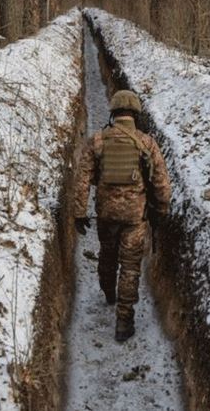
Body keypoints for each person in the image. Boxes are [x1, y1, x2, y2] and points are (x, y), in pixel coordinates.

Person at [74, 90, 172, 342]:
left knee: (107, 254)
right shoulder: (146, 143)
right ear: (135, 114)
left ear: (113, 112)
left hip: (106, 215)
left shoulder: (97, 141)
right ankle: (123, 321)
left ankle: (108, 291)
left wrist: (78, 212)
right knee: (129, 267)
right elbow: (161, 184)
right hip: (134, 218)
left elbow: (82, 178)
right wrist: (161, 213)